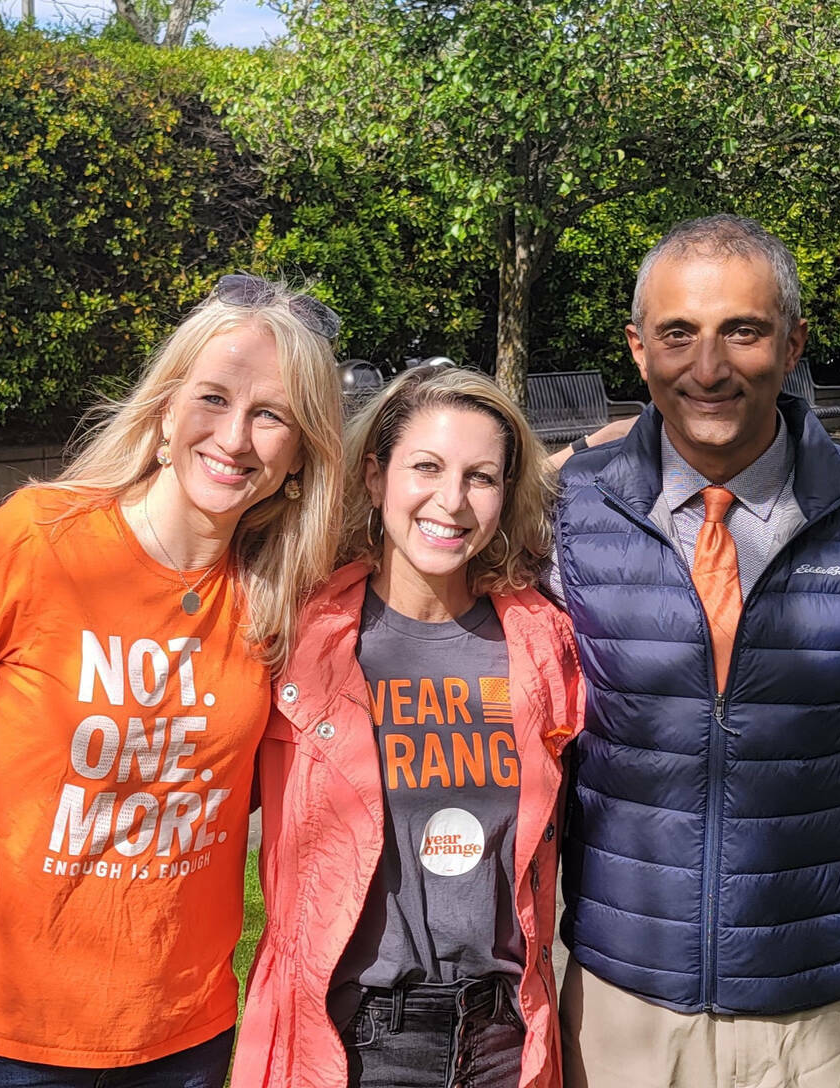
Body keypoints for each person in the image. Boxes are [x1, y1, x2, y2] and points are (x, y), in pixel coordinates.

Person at [0, 274, 346, 1085]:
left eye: (270, 415)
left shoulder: (293, 603)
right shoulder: (41, 537)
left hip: (177, 1037)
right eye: (212, 398)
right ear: (165, 410)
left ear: (301, 453)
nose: (235, 438)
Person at [552, 214, 840, 1088]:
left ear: (794, 340)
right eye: (677, 334)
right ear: (638, 349)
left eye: (742, 329)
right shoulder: (565, 519)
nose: (708, 367)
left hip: (817, 1012)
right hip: (622, 1005)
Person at [229, 366, 585, 1088]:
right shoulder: (296, 637)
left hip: (506, 1038)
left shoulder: (543, 642)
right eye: (426, 467)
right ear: (375, 475)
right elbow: (192, 779)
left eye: (480, 477)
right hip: (356, 1038)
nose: (450, 501)